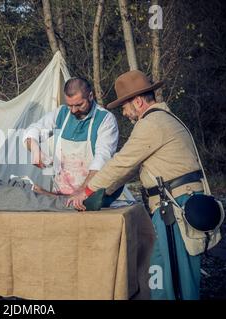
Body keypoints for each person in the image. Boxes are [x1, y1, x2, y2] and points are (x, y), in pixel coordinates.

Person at [67, 70, 205, 300]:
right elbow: (127, 170)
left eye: (124, 105)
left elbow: (121, 164)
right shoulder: (161, 120)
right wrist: (97, 198)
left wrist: (87, 191)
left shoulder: (151, 124)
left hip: (176, 209)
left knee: (179, 281)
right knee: (160, 273)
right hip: (170, 208)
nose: (123, 111)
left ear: (138, 102)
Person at [23, 77, 120, 197]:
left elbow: (102, 158)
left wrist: (83, 191)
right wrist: (35, 149)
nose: (73, 110)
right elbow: (33, 130)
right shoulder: (61, 113)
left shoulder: (105, 120)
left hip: (91, 194)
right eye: (70, 105)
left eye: (79, 105)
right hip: (60, 192)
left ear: (90, 96)